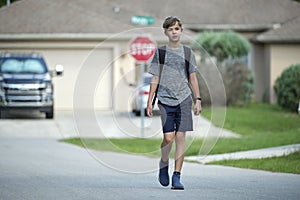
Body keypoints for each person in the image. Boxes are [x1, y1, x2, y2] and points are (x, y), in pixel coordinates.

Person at [147, 16, 202, 190]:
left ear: (181, 31)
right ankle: (164, 163)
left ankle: (176, 176)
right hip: (165, 100)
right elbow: (155, 78)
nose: (174, 32)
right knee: (168, 138)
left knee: (180, 137)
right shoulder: (160, 53)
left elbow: (193, 77)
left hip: (184, 99)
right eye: (170, 29)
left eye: (177, 29)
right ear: (165, 32)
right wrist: (149, 102)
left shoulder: (188, 53)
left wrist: (198, 99)